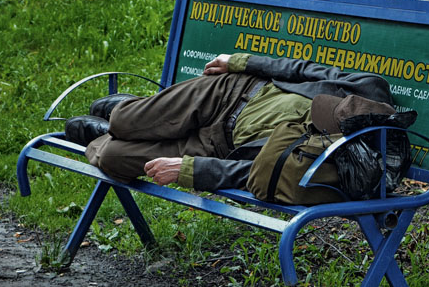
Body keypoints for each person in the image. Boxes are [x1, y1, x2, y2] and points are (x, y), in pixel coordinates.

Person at [64, 52, 398, 193]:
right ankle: (120, 119)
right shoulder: (370, 89)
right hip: (230, 93)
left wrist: (188, 169)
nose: (320, 111)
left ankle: (109, 133)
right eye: (329, 107)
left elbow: (254, 175)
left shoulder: (335, 163)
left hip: (218, 147)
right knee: (123, 119)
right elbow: (303, 70)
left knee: (112, 158)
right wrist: (240, 61)